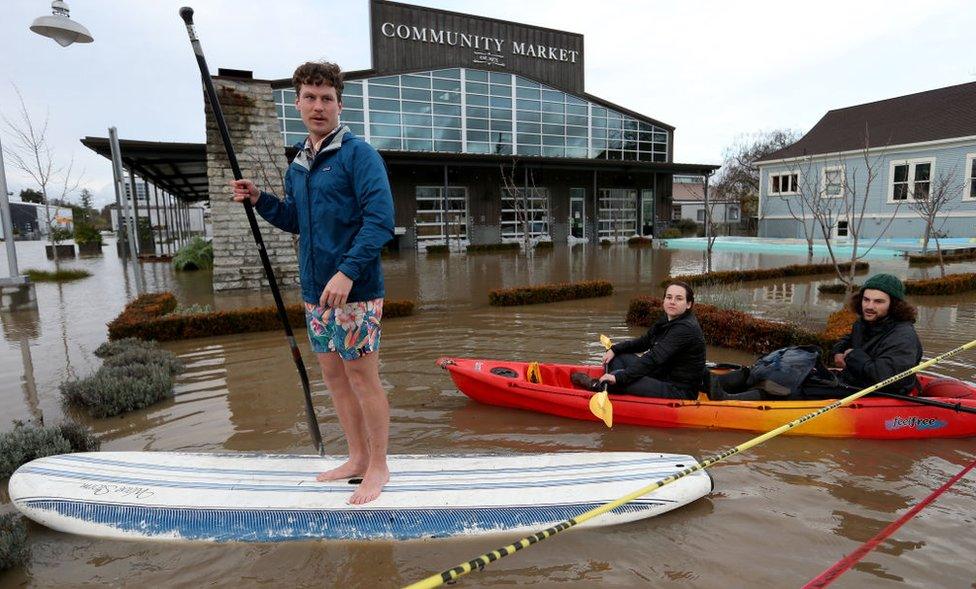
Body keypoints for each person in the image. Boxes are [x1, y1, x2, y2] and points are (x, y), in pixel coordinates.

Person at [231, 61, 395, 504]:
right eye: (310, 97)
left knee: (363, 377)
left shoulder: (359, 155)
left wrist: (347, 272)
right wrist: (260, 199)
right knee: (333, 376)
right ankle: (357, 457)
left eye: (326, 98)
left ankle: (379, 466)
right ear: (298, 103)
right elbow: (294, 219)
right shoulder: (299, 164)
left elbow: (381, 222)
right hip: (314, 291)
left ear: (339, 104)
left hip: (356, 290)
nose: (318, 106)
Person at [712, 273, 923, 401]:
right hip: (851, 379)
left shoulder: (903, 336)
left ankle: (728, 400)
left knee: (794, 388)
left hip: (873, 393)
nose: (869, 306)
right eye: (866, 299)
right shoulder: (865, 323)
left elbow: (887, 378)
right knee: (784, 367)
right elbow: (845, 343)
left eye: (878, 302)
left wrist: (852, 356)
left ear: (893, 305)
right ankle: (715, 383)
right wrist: (840, 351)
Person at [571, 281, 706, 399]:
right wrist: (614, 349)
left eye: (679, 299)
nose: (672, 301)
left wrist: (619, 378)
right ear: (664, 300)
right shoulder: (668, 319)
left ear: (688, 304)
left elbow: (653, 358)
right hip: (662, 374)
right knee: (618, 357)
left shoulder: (686, 329)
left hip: (679, 390)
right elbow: (644, 342)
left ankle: (596, 385)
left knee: (619, 376)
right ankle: (618, 390)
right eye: (669, 297)